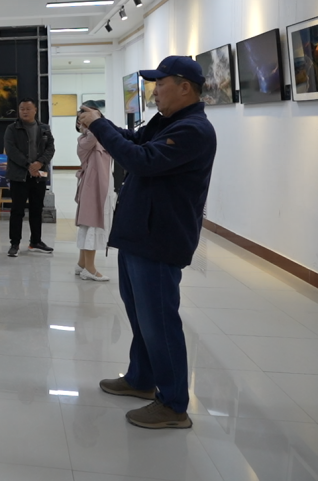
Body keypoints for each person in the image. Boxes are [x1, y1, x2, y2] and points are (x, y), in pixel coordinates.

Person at [78, 56, 216, 430]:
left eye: (161, 83)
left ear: (185, 87)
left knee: (159, 322)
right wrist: (101, 122)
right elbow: (134, 140)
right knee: (141, 316)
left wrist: (99, 125)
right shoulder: (167, 121)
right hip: (140, 233)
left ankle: (173, 404)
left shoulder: (194, 131)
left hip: (160, 238)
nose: (154, 91)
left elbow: (141, 160)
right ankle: (141, 378)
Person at [3, 98, 55, 257]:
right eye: (22, 109)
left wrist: (40, 163)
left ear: (35, 110)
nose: (24, 111)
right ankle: (15, 243)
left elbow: (50, 148)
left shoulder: (44, 128)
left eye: (28, 108)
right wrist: (28, 165)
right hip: (19, 176)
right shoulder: (12, 128)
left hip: (39, 175)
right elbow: (11, 150)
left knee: (37, 209)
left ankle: (36, 241)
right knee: (17, 210)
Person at [75, 102, 113, 281]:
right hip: (94, 187)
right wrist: (92, 123)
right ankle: (89, 269)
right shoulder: (86, 139)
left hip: (101, 185)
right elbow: (95, 133)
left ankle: (82, 263)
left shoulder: (99, 137)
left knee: (89, 224)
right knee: (93, 224)